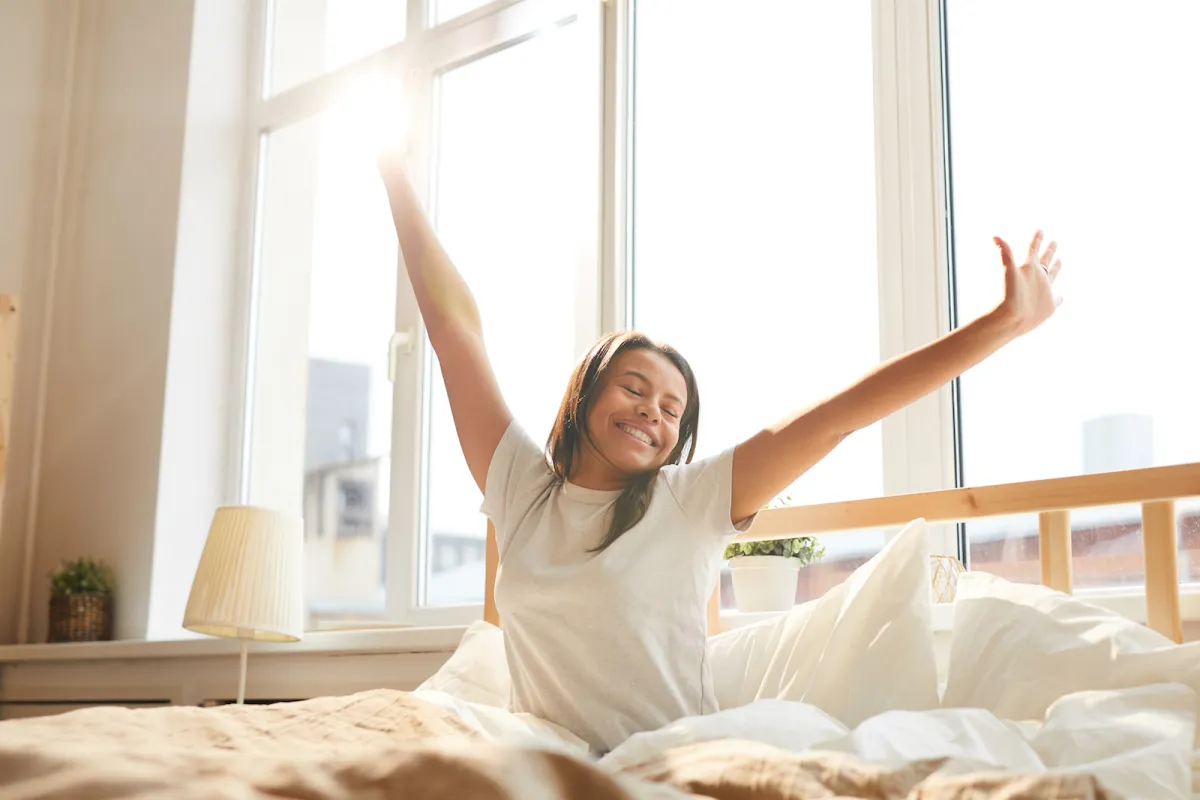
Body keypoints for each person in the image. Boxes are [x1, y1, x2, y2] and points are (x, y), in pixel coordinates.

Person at [377, 153, 1062, 755]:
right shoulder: (520, 491)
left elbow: (837, 420)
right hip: (547, 766)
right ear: (585, 395)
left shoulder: (691, 499)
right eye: (635, 388)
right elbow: (451, 325)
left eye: (672, 410)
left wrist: (998, 326)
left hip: (669, 763)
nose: (653, 411)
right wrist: (397, 175)